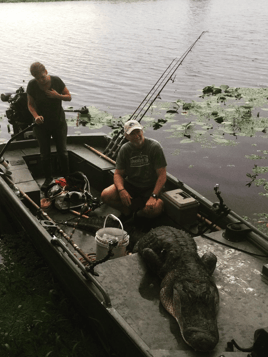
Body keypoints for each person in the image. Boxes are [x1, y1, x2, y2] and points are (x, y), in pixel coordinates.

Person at [101, 119, 167, 220]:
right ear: (127, 137)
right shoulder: (125, 149)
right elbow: (118, 174)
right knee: (106, 195)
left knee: (156, 208)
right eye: (132, 134)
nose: (137, 136)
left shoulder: (154, 147)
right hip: (131, 184)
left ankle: (137, 216)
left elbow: (162, 175)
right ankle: (126, 212)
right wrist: (122, 190)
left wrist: (153, 196)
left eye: (138, 132)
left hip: (150, 187)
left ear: (142, 131)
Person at [27, 62, 72, 191]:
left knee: (62, 152)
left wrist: (57, 96)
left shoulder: (56, 81)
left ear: (46, 72)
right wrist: (36, 116)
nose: (40, 80)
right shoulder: (32, 85)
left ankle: (67, 177)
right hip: (41, 125)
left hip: (58, 123)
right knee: (45, 154)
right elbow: (30, 104)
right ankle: (48, 179)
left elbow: (69, 97)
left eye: (42, 77)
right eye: (37, 78)